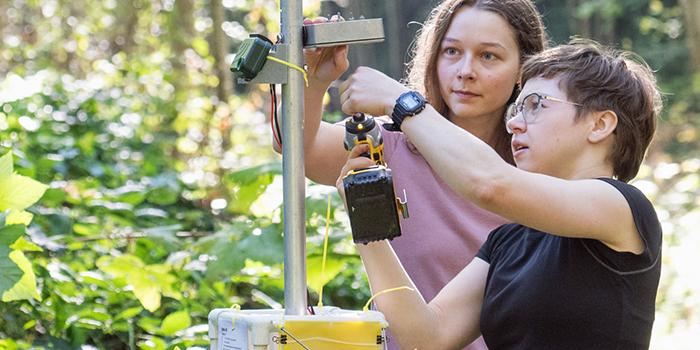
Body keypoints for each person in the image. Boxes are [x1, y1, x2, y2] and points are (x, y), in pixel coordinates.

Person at [336, 41, 663, 349]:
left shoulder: (621, 207)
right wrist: (369, 222)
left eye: (535, 106)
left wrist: (402, 102)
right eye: (517, 110)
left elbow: (489, 184)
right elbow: (426, 337)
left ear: (600, 124)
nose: (514, 125)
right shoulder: (509, 240)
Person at [280, 2, 547, 348]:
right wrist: (316, 82)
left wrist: (399, 99)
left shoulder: (538, 163)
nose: (465, 70)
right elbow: (301, 151)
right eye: (451, 51)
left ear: (523, 70)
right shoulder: (388, 143)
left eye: (488, 56)